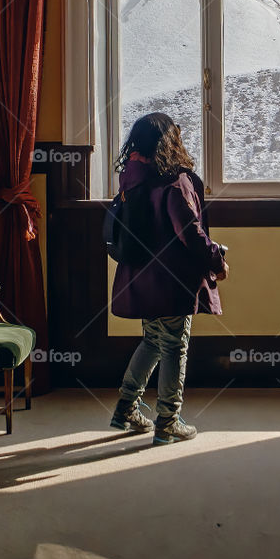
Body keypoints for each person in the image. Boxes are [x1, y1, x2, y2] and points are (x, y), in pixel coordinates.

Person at [109, 112, 228, 445]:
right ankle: (167, 421)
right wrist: (217, 261)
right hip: (173, 282)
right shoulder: (174, 182)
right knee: (175, 346)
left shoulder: (132, 179)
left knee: (152, 341)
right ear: (169, 142)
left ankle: (125, 409)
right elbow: (190, 232)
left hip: (141, 279)